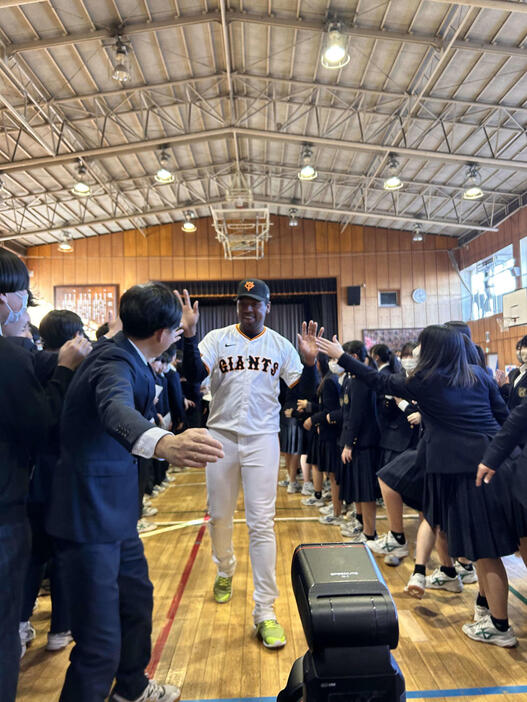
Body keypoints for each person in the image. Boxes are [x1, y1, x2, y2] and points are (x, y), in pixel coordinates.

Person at [46, 282, 224, 702]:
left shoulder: (130, 348)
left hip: (115, 516)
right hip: (88, 519)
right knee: (99, 646)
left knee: (136, 604)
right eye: (175, 329)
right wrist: (163, 442)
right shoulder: (113, 362)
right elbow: (115, 409)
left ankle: (132, 687)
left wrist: (189, 330)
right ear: (162, 334)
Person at [317, 325, 519, 647]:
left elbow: (380, 381)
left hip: (469, 474)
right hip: (495, 467)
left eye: (423, 347)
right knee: (485, 552)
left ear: (435, 351)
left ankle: (500, 626)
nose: (417, 354)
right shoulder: (479, 376)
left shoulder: (429, 382)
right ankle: (488, 612)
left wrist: (342, 357)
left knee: (486, 554)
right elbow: (503, 417)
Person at [180, 279, 319, 649]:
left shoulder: (281, 345)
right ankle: (225, 568)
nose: (249, 309)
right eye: (243, 302)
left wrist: (310, 364)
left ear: (267, 307)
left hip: (261, 439)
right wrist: (190, 336)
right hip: (220, 437)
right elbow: (194, 376)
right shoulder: (216, 338)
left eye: (256, 303)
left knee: (262, 523)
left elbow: (304, 394)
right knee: (220, 516)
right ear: (237, 306)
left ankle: (265, 611)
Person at [0, 248, 91, 701]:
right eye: (20, 296)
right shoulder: (10, 355)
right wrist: (64, 371)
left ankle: (23, 625)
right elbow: (41, 425)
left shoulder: (18, 354)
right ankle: (56, 628)